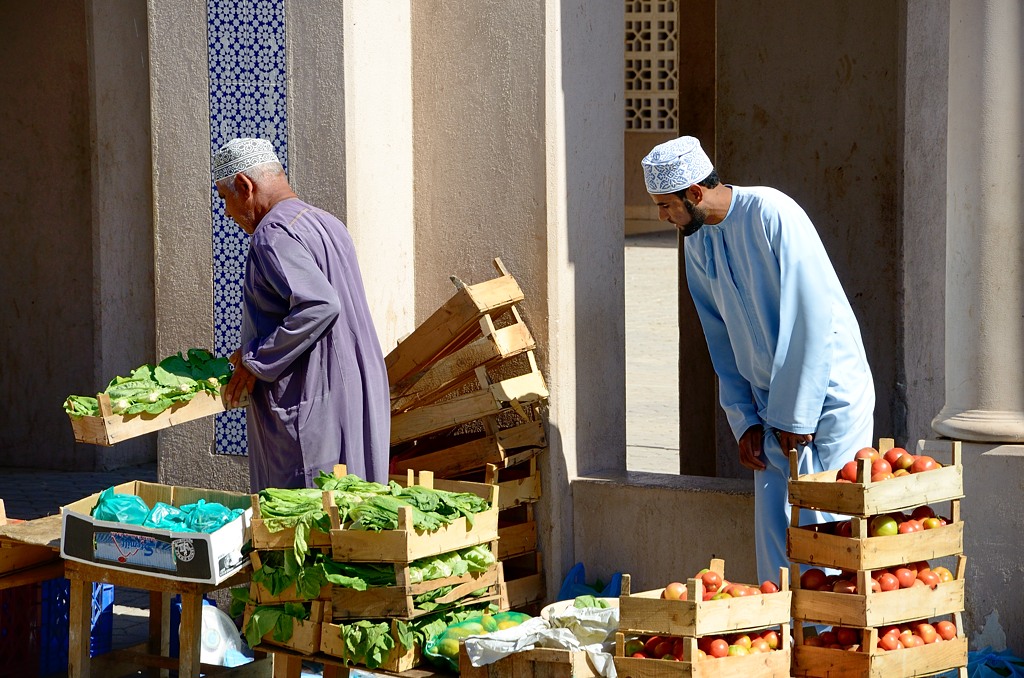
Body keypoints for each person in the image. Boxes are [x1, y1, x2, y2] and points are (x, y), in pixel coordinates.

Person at [641, 136, 875, 583]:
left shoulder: (772, 213)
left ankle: (827, 640)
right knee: (775, 535)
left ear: (695, 193)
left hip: (827, 396)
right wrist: (744, 418)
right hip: (769, 408)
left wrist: (797, 412)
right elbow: (719, 335)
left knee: (824, 528)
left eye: (665, 205)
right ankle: (783, 640)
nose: (661, 216)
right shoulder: (696, 240)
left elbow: (810, 315)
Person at [212, 138, 391, 491]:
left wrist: (256, 358)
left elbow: (320, 304)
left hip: (314, 404)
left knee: (306, 527)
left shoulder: (271, 234)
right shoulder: (326, 222)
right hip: (357, 391)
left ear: (245, 187)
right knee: (354, 519)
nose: (228, 213)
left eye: (225, 199)